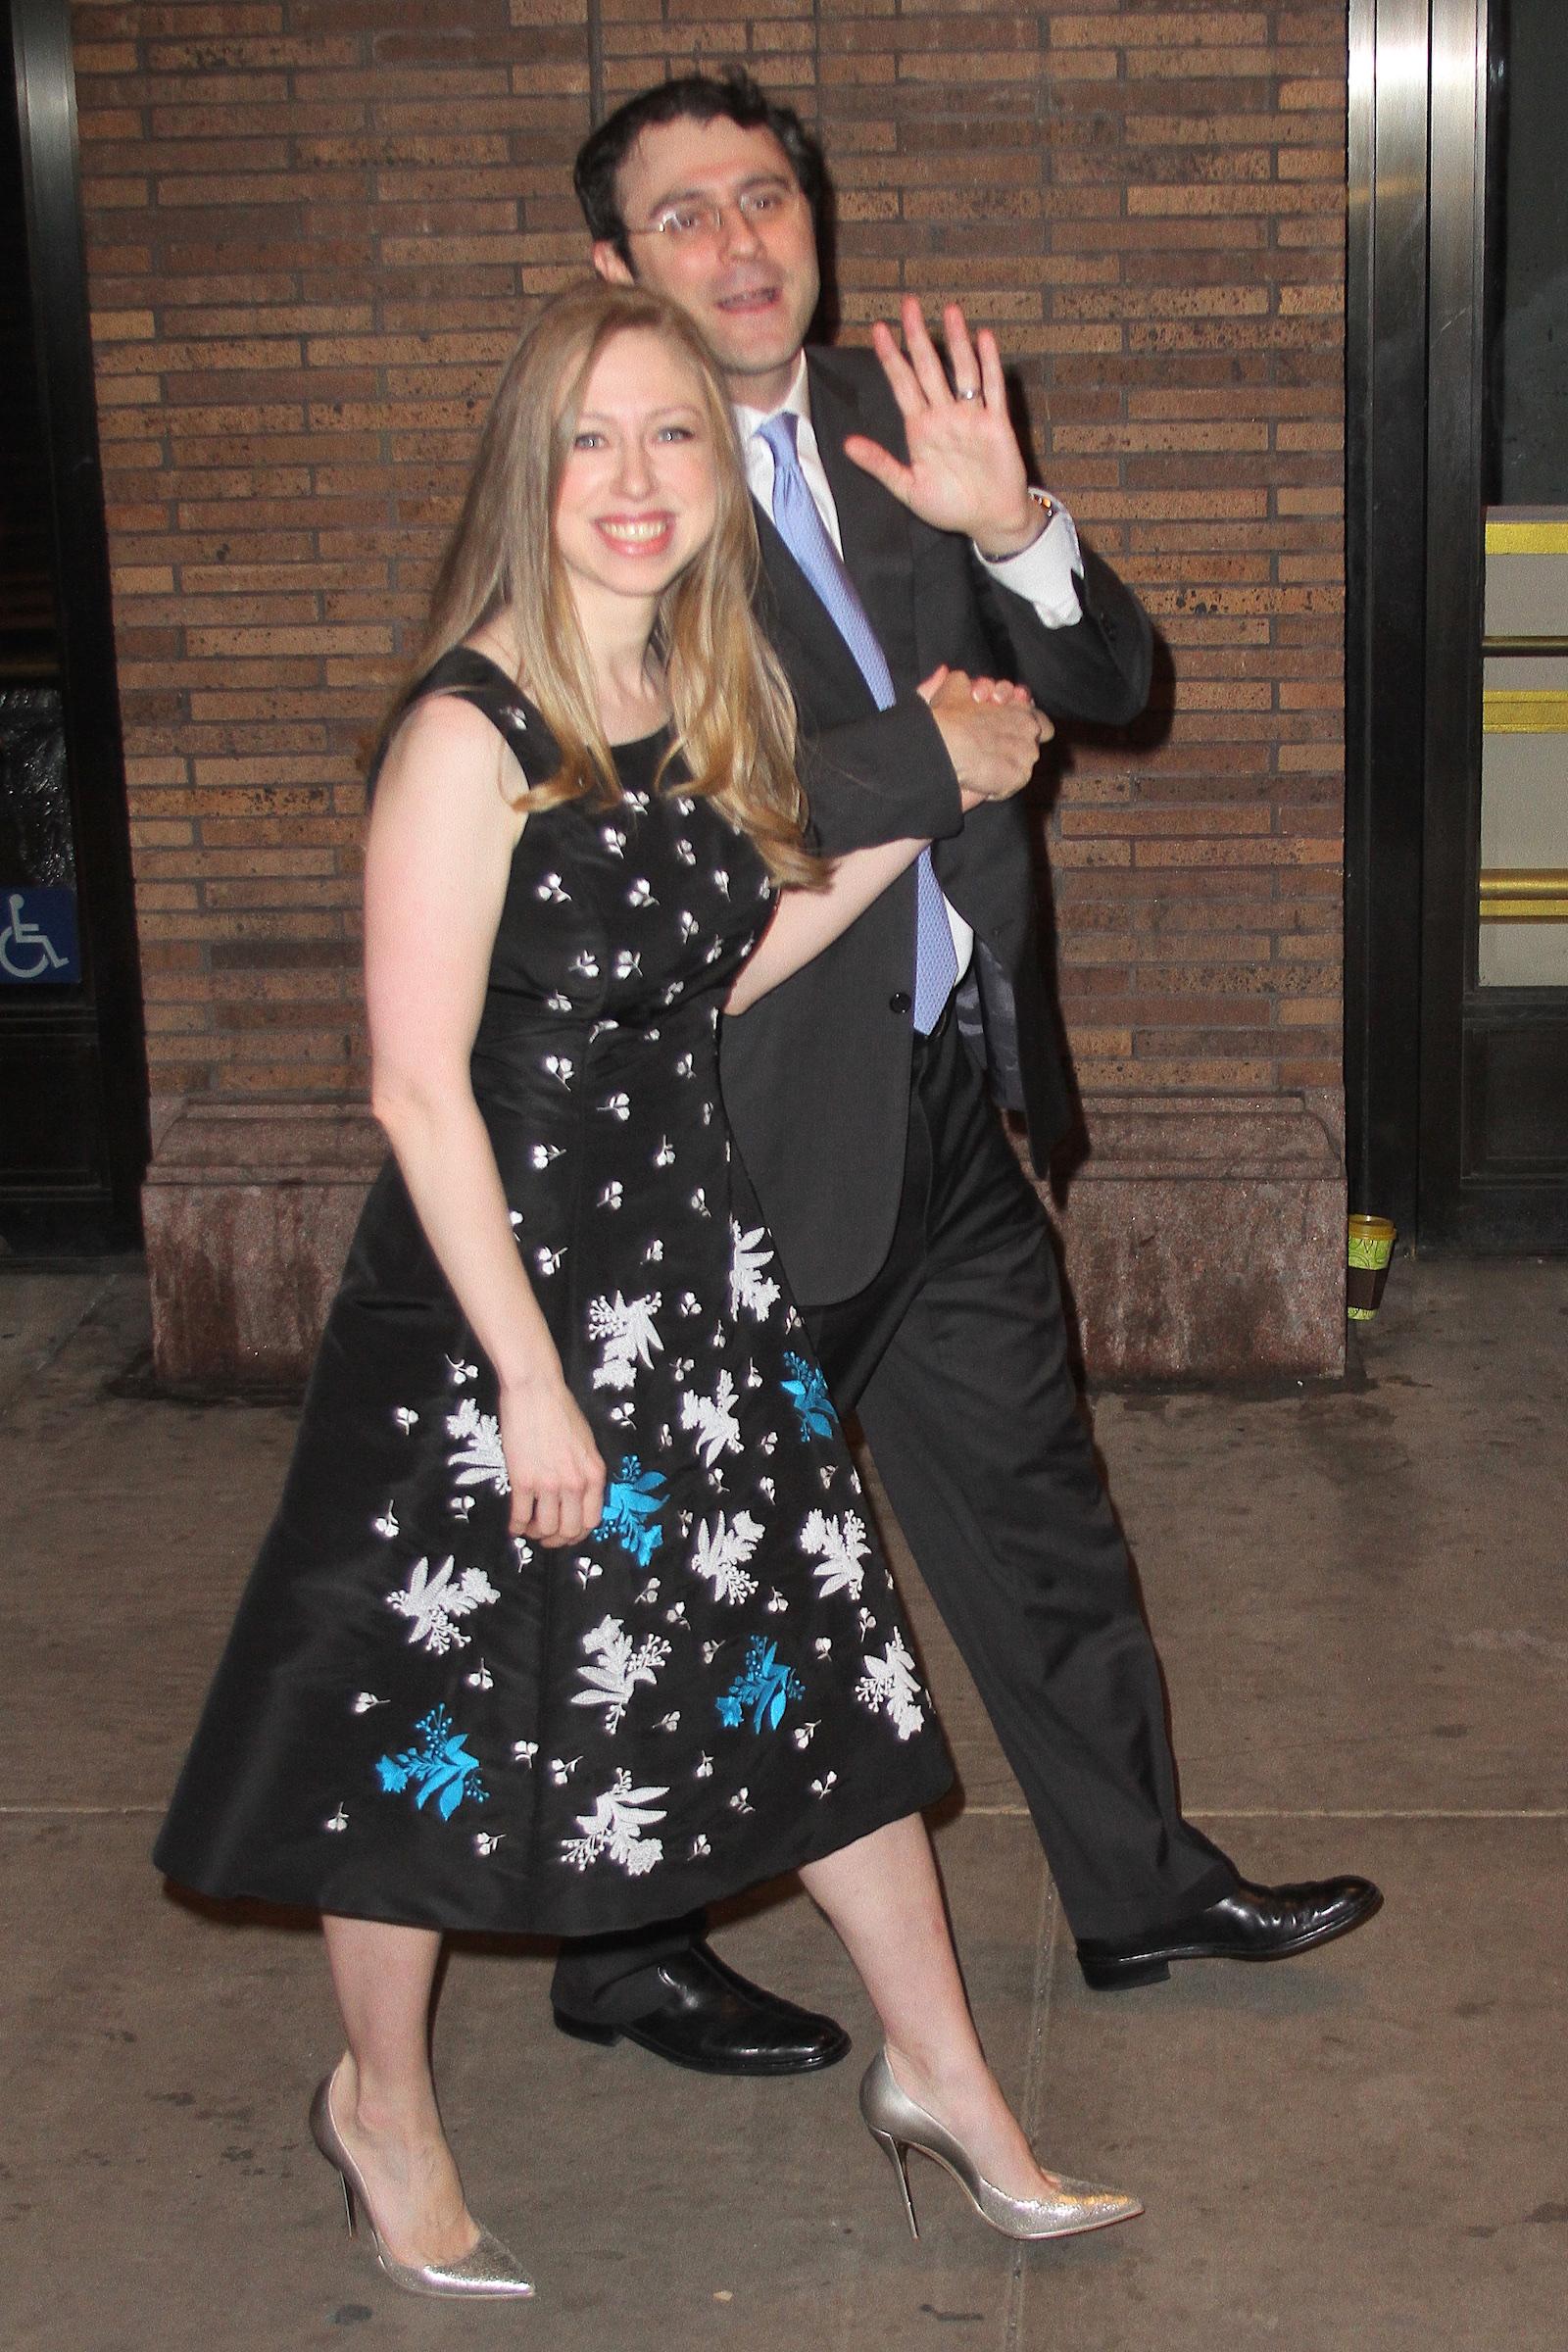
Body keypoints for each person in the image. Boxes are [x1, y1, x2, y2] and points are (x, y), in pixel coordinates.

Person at [154, 278, 1141, 2299]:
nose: (633, 480)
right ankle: (386, 2107)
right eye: (590, 440)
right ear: (532, 468)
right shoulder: (469, 727)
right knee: (416, 1726)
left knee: (830, 1664)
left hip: (690, 1273)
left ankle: (945, 2076)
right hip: (491, 1309)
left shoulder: (699, 699)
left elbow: (711, 986)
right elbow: (416, 1086)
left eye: (671, 436)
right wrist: (527, 1380)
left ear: (718, 470)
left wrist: (916, 820)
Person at [547, 69, 1382, 2066]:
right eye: (684, 216)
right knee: (707, 1551)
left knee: (1034, 1511)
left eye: (765, 197)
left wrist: (1009, 523)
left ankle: (1135, 1886)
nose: (739, 244)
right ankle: (622, 1937)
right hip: (743, 1138)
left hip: (941, 1085)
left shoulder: (889, 417)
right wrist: (930, 756)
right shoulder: (609, 486)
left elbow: (1108, 690)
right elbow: (646, 831)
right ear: (608, 262)